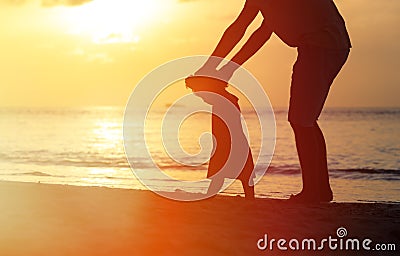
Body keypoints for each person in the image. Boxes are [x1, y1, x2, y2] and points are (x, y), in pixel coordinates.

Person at [195, 0, 351, 203]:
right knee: (306, 120)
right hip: (329, 45)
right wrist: (222, 69)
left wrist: (214, 68)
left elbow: (240, 28)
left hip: (320, 45)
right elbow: (261, 32)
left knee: (301, 120)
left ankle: (315, 191)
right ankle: (320, 189)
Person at [185, 76, 256, 199]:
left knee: (225, 171)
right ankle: (248, 197)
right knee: (232, 172)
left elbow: (229, 125)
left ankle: (213, 195)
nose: (201, 97)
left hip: (229, 140)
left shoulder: (223, 101)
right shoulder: (225, 99)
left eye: (200, 93)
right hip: (230, 139)